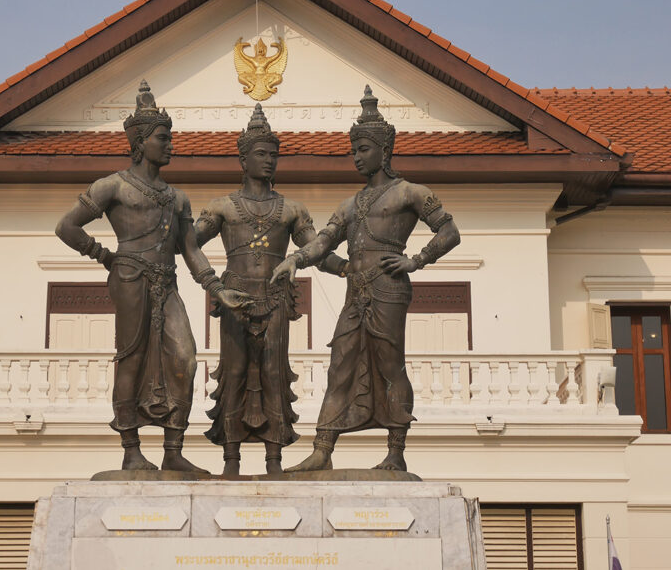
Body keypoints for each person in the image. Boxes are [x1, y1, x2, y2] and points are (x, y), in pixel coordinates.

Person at [55, 80, 250, 473]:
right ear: (141, 142)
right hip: (130, 279)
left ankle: (173, 448)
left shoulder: (178, 197)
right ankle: (131, 449)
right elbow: (67, 227)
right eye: (163, 138)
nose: (170, 145)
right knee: (132, 359)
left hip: (168, 281)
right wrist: (106, 257)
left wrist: (217, 288)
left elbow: (190, 248)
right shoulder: (113, 186)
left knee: (186, 358)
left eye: (170, 137)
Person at [271, 86, 460, 472]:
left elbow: (449, 233)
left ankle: (395, 451)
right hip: (355, 292)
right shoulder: (350, 204)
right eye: (354, 150)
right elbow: (323, 242)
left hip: (389, 288)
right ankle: (323, 449)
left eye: (363, 149)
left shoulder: (410, 193)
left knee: (390, 364)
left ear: (384, 150)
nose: (357, 157)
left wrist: (417, 260)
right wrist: (296, 258)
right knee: (340, 362)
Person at [195, 104, 346, 476]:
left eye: (274, 155)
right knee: (233, 372)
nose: (269, 162)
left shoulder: (292, 209)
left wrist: (348, 268)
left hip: (277, 298)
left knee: (274, 373)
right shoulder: (222, 207)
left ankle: (274, 459)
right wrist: (209, 280)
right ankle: (231, 460)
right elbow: (188, 243)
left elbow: (317, 250)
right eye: (261, 154)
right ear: (243, 159)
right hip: (234, 297)